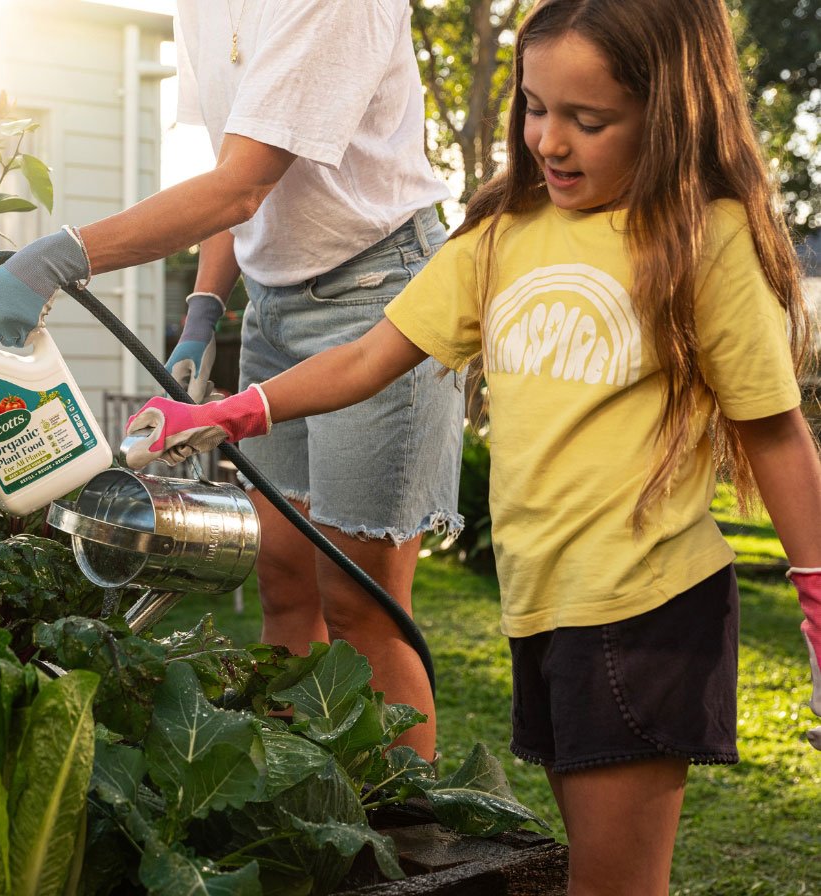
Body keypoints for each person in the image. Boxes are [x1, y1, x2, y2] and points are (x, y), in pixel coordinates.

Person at [122, 0, 821, 891]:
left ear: (668, 114)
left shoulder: (697, 239)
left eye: (588, 120)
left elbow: (774, 432)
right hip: (540, 607)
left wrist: (816, 600)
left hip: (647, 608)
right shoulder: (501, 235)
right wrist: (233, 412)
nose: (549, 142)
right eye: (534, 109)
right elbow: (371, 355)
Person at [0, 0, 464, 758]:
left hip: (379, 298)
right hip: (273, 305)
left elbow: (241, 187)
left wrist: (58, 256)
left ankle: (414, 838)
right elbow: (231, 174)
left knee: (362, 606)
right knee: (286, 585)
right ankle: (307, 801)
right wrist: (203, 311)